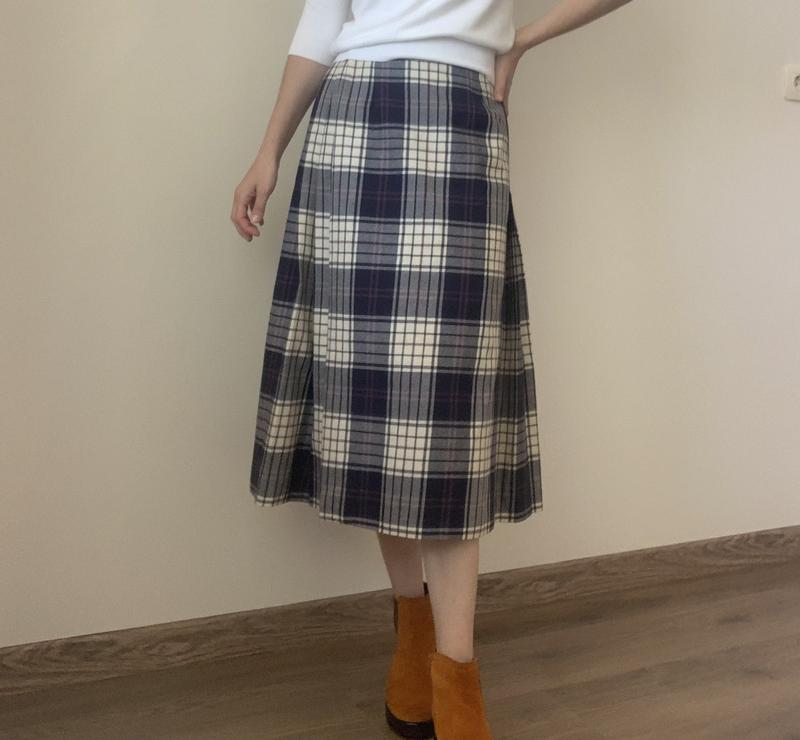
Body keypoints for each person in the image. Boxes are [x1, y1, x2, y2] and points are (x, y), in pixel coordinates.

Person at [231, 1, 633, 737]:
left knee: (441, 424)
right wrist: (268, 151)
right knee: (379, 414)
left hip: (457, 120)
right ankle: (412, 648)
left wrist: (521, 39)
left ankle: (458, 685)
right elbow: (323, 24)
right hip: (349, 121)